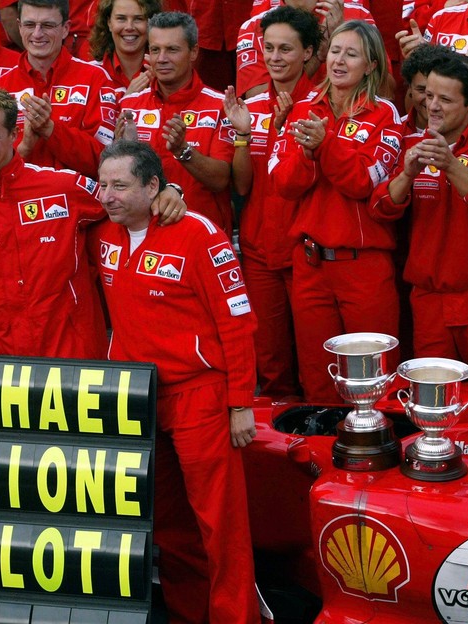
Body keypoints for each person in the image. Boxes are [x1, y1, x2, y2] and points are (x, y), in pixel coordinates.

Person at [0, 87, 184, 358]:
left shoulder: (64, 188)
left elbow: (129, 203)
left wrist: (169, 189)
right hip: (1, 370)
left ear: (14, 135)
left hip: (72, 364)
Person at [90, 140, 259, 624]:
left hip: (200, 396)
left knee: (220, 526)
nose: (107, 195)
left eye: (120, 186)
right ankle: (189, 615)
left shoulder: (199, 234)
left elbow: (238, 321)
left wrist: (240, 403)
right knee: (167, 525)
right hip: (137, 398)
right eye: (103, 184)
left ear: (153, 187)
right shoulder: (101, 230)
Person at [271, 20, 402, 402]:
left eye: (351, 53)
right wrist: (310, 154)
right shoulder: (302, 111)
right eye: (335, 51)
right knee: (318, 377)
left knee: (374, 381)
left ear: (372, 64)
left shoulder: (385, 115)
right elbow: (283, 184)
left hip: (364, 266)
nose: (339, 61)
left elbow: (363, 182)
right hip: (310, 264)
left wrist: (325, 146)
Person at [222, 5, 322, 399]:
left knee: (316, 364)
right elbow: (242, 187)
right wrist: (244, 136)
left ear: (310, 53)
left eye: (286, 49)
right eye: (269, 48)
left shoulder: (321, 106)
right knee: (271, 362)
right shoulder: (254, 107)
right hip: (259, 250)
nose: (275, 58)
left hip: (305, 253)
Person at [371, 53, 468, 377]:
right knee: (434, 403)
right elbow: (379, 210)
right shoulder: (409, 145)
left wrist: (450, 165)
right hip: (427, 302)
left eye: (445, 99)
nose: (432, 106)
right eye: (428, 94)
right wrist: (406, 175)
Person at [117, 12, 234, 233]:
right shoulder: (130, 104)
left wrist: (183, 150)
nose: (161, 58)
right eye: (155, 50)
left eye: (172, 49)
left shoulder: (220, 106)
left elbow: (221, 179)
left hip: (200, 236)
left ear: (194, 52)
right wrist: (119, 148)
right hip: (144, 234)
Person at [0, 0, 118, 178]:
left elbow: (105, 160)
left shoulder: (95, 78)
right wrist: (24, 148)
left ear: (66, 28)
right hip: (13, 201)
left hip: (77, 201)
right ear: (19, 26)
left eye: (47, 25)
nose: (37, 34)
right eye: (30, 24)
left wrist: (50, 130)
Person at [237, 0, 376, 99]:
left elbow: (385, 90)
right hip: (284, 125)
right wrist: (319, 54)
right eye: (269, 48)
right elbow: (258, 98)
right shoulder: (255, 26)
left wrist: (345, 40)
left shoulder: (357, 16)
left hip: (344, 123)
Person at [87, 0, 160, 95]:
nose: (129, 27)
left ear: (150, 23)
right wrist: (128, 99)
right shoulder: (89, 73)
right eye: (121, 18)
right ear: (109, 23)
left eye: (138, 19)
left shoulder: (164, 71)